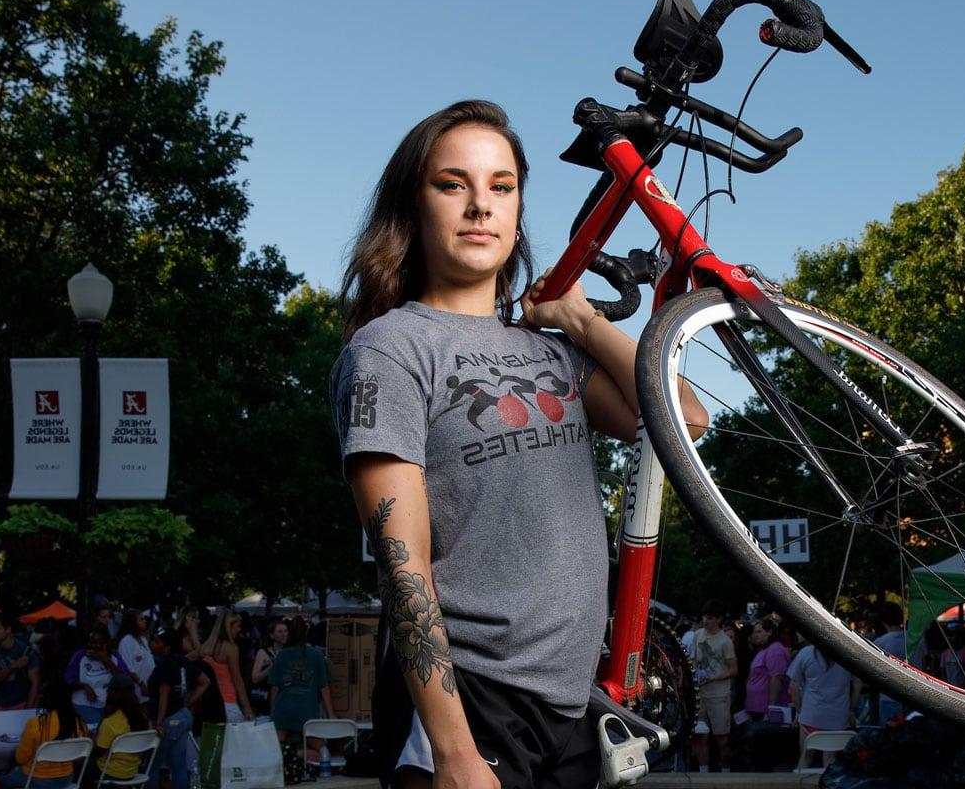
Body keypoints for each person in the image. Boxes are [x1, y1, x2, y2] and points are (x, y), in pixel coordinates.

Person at [332, 99, 705, 789]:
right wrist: (452, 752)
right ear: (413, 208)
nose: (481, 206)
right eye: (453, 184)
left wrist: (583, 321)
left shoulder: (553, 352)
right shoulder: (391, 348)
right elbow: (401, 565)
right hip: (470, 700)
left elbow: (684, 416)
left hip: (568, 703)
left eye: (501, 187)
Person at [145, 628, 210, 789]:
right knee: (179, 766)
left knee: (152, 766)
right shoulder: (182, 661)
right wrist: (188, 701)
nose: (152, 644)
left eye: (156, 642)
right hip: (183, 716)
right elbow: (205, 681)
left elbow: (164, 695)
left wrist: (158, 723)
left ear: (167, 648)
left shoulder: (165, 664)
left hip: (169, 719)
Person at [0, 679, 89, 789]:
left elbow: (20, 759)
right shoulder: (79, 724)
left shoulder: (36, 723)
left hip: (35, 779)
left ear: (48, 698)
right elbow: (77, 757)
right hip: (66, 779)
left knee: (0, 778)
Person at [267, 617, 332, 762]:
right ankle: (297, 753)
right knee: (323, 754)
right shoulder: (316, 655)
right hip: (307, 712)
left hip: (283, 712)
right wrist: (331, 715)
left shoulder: (282, 656)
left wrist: (273, 714)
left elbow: (274, 688)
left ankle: (288, 754)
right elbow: (324, 687)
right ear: (306, 633)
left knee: (276, 751)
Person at [787, 639, 854, 768]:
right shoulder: (848, 654)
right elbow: (857, 684)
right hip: (838, 718)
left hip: (810, 717)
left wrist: (799, 711)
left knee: (805, 758)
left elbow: (794, 686)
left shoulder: (806, 653)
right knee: (830, 761)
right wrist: (851, 709)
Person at [690, 600, 737, 773]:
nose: (705, 621)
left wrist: (712, 677)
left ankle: (726, 772)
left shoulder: (725, 641)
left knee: (721, 736)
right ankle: (703, 771)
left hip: (719, 695)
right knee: (699, 734)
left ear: (718, 619)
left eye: (709, 618)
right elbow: (694, 660)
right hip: (700, 694)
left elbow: (734, 669)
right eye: (704, 617)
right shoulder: (698, 635)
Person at [64, 627, 131, 729]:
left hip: (109, 705)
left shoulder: (114, 656)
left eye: (97, 643)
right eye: (90, 642)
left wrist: (107, 660)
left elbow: (125, 680)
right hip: (84, 704)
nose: (92, 646)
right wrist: (84, 686)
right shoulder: (80, 656)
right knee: (98, 726)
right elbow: (68, 679)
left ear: (106, 644)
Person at [92, 674, 151, 783]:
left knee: (80, 766)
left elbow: (99, 751)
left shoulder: (110, 722)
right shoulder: (142, 715)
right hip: (132, 771)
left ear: (112, 693)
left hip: (110, 771)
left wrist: (92, 742)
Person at [198, 610, 253, 722]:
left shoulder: (206, 646)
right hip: (228, 702)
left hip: (209, 703)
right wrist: (247, 708)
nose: (239, 629)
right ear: (228, 627)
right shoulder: (231, 648)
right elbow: (237, 680)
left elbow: (187, 658)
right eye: (237, 626)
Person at [0, 611, 40, 710]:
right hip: (0, 704)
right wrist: (13, 666)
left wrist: (27, 709)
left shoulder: (25, 651)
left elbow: (36, 682)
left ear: (8, 630)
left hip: (22, 703)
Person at [743, 619, 791, 720]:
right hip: (756, 707)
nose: (755, 635)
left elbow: (777, 677)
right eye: (754, 632)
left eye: (759, 631)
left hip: (764, 709)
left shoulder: (775, 649)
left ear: (769, 632)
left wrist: (771, 707)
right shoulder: (764, 649)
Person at [114, 609, 154, 702]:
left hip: (150, 687)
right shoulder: (126, 641)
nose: (144, 621)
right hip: (138, 689)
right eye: (141, 619)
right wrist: (141, 684)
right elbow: (127, 667)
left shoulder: (143, 639)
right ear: (132, 623)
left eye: (144, 619)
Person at [250, 617, 288, 710]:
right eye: (280, 631)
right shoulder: (263, 653)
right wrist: (270, 668)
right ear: (272, 635)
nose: (284, 634)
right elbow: (254, 678)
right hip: (266, 699)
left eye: (286, 631)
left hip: (284, 699)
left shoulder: (289, 652)